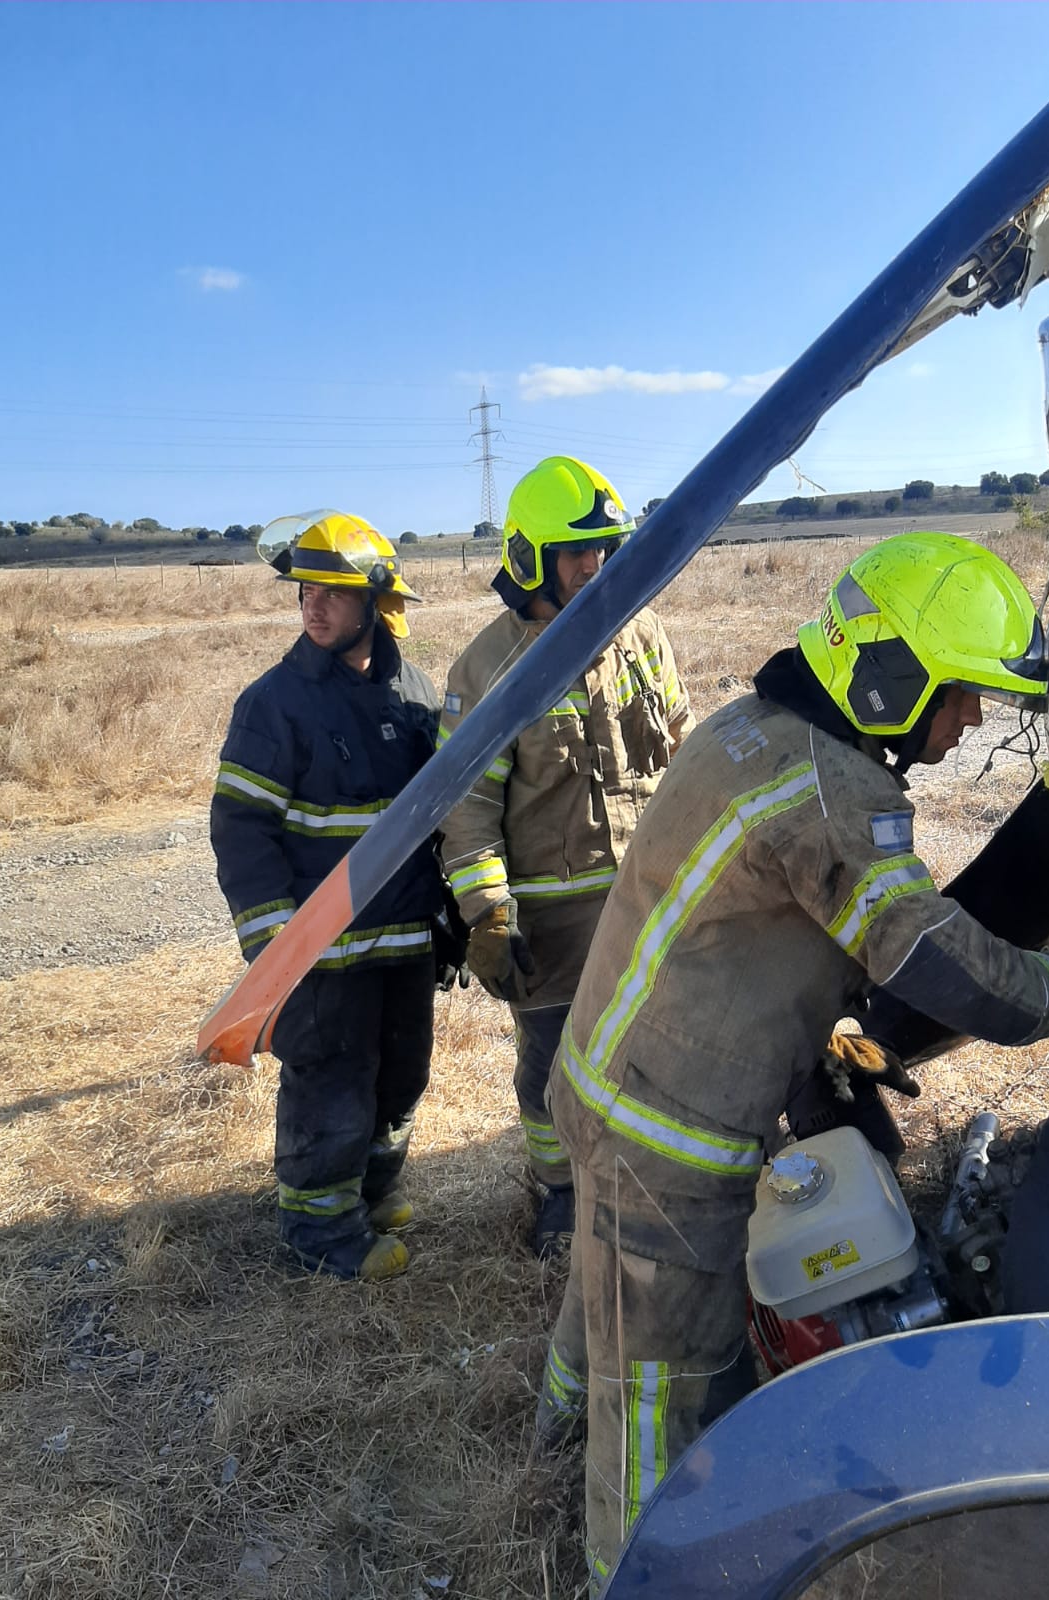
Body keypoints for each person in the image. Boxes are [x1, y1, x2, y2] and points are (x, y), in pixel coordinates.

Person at [541, 530, 1049, 1589]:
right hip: (667, 1137)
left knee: (602, 1281)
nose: (971, 723)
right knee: (661, 1392)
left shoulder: (750, 733)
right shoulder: (833, 797)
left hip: (604, 1085)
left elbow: (782, 941)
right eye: (960, 695)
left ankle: (549, 1420)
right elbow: (956, 970)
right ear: (892, 675)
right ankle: (633, 1567)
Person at [438, 455, 694, 1256]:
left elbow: (684, 754)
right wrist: (488, 914)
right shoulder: (486, 669)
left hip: (650, 900)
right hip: (551, 921)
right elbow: (467, 808)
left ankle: (658, 1184)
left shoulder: (643, 633)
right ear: (528, 558)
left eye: (605, 549)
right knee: (552, 1069)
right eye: (577, 552)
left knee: (663, 1056)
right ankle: (559, 1195)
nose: (596, 566)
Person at [211, 509, 449, 1282]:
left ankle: (371, 1192)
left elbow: (445, 818)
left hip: (404, 941)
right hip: (321, 955)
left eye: (332, 592)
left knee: (401, 1074)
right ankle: (321, 1235)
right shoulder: (272, 705)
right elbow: (242, 833)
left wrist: (452, 918)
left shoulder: (415, 693)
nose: (312, 605)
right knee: (332, 1080)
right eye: (305, 590)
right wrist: (276, 950)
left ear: (375, 604)